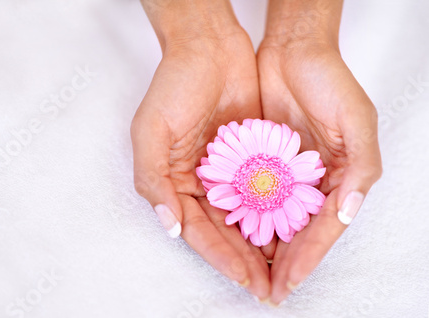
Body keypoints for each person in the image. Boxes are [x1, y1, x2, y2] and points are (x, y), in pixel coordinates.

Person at [131, 0, 382, 306]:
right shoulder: (232, 171)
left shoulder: (294, 171)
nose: (263, 183)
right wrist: (196, 35)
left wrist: (303, 36)